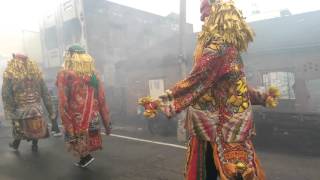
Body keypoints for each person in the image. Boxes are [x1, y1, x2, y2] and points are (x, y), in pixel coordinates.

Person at [139, 0, 280, 179]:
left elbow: (197, 81)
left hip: (220, 127)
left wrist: (161, 101)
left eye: (205, 13)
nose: (202, 19)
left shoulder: (218, 49)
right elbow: (235, 88)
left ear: (218, 15)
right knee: (228, 171)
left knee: (229, 172)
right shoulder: (231, 50)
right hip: (225, 126)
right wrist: (262, 97)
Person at [56, 45, 111, 168]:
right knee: (88, 137)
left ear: (70, 57)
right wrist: (107, 123)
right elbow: (102, 99)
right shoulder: (94, 74)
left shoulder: (65, 74)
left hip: (76, 117)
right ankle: (85, 157)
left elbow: (63, 101)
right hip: (93, 115)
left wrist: (65, 123)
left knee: (77, 138)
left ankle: (85, 157)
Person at [2, 53, 55, 152]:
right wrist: (51, 111)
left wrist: (9, 112)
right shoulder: (36, 74)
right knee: (35, 127)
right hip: (36, 109)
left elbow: (6, 95)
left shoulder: (10, 75)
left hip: (21, 109)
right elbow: (46, 93)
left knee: (19, 128)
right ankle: (34, 145)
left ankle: (15, 145)